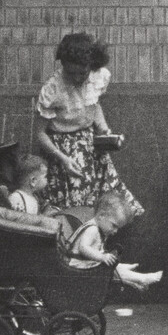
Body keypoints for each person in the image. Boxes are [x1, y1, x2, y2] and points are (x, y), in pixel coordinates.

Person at [33, 32, 139, 215]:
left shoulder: (98, 77)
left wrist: (104, 130)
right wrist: (62, 158)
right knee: (75, 202)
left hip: (91, 145)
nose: (76, 78)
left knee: (107, 197)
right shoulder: (53, 89)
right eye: (70, 72)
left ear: (91, 65)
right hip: (63, 151)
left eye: (82, 73)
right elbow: (40, 133)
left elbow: (93, 106)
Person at [59, 192, 164, 290]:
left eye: (118, 228)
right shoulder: (92, 229)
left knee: (111, 267)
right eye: (114, 225)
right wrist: (102, 257)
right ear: (101, 215)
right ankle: (141, 278)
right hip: (75, 267)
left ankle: (130, 275)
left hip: (81, 265)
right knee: (108, 269)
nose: (115, 231)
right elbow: (83, 248)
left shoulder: (98, 228)